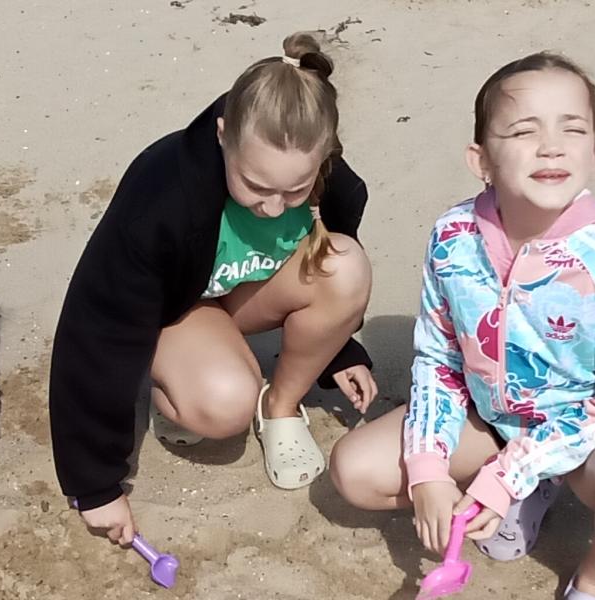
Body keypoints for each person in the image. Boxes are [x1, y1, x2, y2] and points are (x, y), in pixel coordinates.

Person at [327, 53, 595, 600]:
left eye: (572, 129)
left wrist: (508, 475)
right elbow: (439, 360)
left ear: (594, 151)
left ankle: (594, 579)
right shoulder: (453, 236)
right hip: (494, 418)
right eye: (524, 131)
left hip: (593, 439)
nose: (551, 146)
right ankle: (526, 489)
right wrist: (429, 470)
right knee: (355, 471)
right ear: (481, 160)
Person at [50, 31, 378, 545]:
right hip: (177, 308)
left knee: (347, 265)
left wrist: (338, 349)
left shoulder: (325, 173)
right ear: (223, 135)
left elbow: (328, 246)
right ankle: (181, 380)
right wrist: (93, 485)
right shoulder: (160, 197)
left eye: (295, 190)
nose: (274, 206)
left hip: (245, 295)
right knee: (224, 403)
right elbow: (98, 327)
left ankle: (280, 407)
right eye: (256, 186)